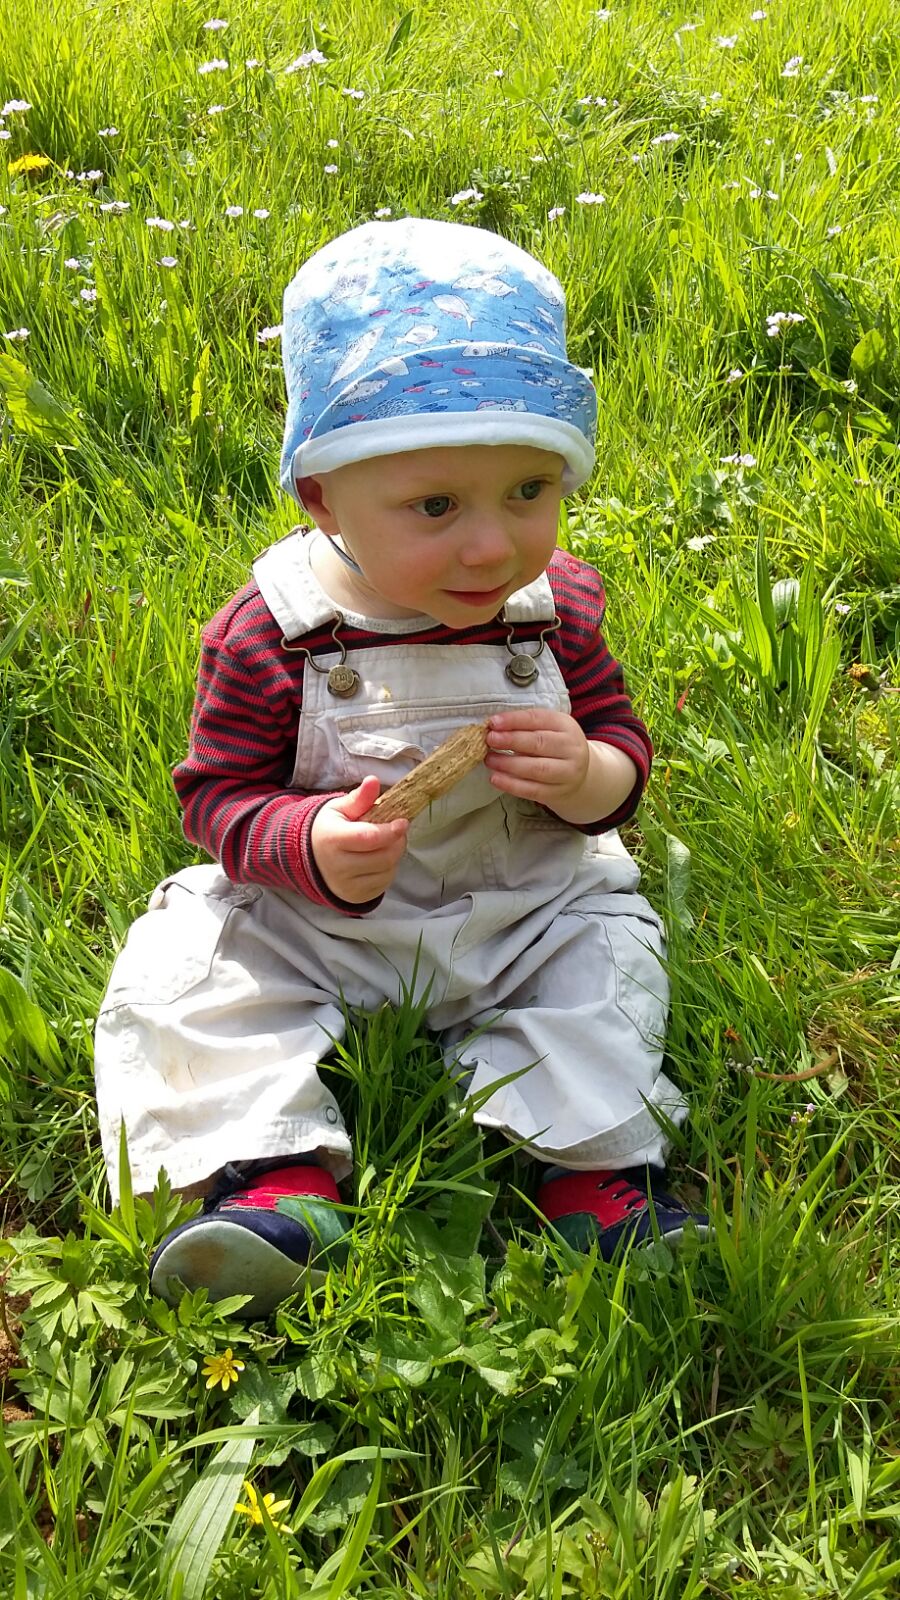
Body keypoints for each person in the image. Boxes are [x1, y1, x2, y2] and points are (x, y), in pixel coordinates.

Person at [93, 216, 708, 1318]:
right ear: (322, 497)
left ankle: (592, 1175)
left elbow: (622, 747)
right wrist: (313, 847)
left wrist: (584, 777)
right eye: (436, 506)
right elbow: (218, 799)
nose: (492, 545)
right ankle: (268, 1182)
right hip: (319, 922)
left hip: (520, 903)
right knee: (191, 968)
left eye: (529, 491)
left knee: (606, 954)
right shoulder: (274, 629)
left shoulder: (553, 608)